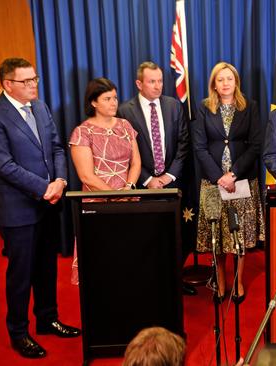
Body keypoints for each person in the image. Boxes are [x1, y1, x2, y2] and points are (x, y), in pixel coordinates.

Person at [0, 57, 80, 358]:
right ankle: (19, 332)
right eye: (26, 81)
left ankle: (48, 319)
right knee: (21, 273)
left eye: (35, 79)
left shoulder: (40, 106)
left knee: (46, 267)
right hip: (18, 208)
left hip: (49, 203)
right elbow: (4, 165)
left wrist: (61, 179)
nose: (34, 84)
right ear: (8, 84)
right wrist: (44, 188)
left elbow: (56, 147)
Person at [116, 61, 195, 296]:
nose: (158, 86)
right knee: (148, 238)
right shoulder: (124, 111)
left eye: (160, 80)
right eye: (152, 81)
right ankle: (151, 284)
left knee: (177, 236)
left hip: (173, 183)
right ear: (139, 83)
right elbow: (125, 153)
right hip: (144, 186)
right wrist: (148, 179)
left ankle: (174, 279)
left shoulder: (173, 106)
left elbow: (183, 143)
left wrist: (170, 175)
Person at [191, 62, 265, 301]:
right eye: (220, 79)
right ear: (214, 83)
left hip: (241, 181)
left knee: (239, 235)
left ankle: (238, 281)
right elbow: (199, 147)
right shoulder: (203, 108)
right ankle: (220, 280)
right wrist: (219, 177)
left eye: (229, 79)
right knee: (218, 237)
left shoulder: (250, 107)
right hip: (212, 183)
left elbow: (256, 146)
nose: (225, 83)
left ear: (236, 82)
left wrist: (232, 174)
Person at [69, 78, 142, 284]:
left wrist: (128, 189)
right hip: (98, 202)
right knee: (102, 258)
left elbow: (136, 163)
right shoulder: (83, 132)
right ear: (93, 102)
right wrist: (115, 195)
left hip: (128, 198)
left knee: (129, 256)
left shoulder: (125, 125)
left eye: (115, 98)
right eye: (107, 99)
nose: (114, 103)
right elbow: (86, 176)